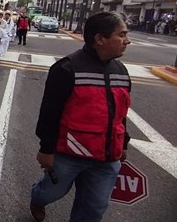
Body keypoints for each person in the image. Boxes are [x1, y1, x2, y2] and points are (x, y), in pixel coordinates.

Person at [30, 11, 132, 222]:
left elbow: (120, 113)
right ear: (100, 39)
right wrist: (46, 149)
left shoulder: (121, 71)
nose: (127, 41)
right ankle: (38, 198)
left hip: (106, 159)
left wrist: (124, 143)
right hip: (69, 155)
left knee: (94, 208)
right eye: (121, 35)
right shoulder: (67, 68)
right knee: (50, 192)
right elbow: (50, 112)